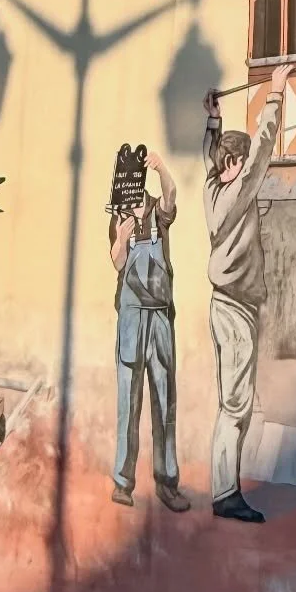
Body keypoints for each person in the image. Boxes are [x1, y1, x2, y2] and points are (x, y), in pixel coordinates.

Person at [202, 60, 289, 523]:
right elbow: (262, 154)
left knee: (230, 400)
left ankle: (224, 488)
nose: (238, 166)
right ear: (233, 164)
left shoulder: (212, 188)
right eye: (235, 161)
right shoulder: (237, 190)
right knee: (235, 405)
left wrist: (214, 120)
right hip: (236, 307)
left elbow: (208, 155)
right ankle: (225, 493)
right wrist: (274, 95)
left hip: (224, 304)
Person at [108, 150, 189, 512]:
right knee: (128, 402)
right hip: (129, 320)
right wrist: (120, 240)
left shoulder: (159, 210)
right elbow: (117, 263)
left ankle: (167, 482)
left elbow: (172, 196)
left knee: (164, 400)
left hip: (159, 319)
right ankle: (123, 482)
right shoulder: (119, 217)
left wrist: (162, 169)